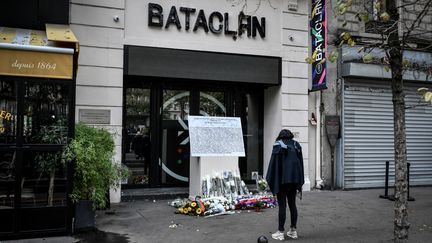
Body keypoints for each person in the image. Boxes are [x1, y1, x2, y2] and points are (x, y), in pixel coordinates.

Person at [266, 129, 304, 241]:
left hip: (282, 181)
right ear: (290, 136)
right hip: (294, 180)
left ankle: (280, 232)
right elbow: (300, 163)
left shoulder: (278, 145)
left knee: (282, 205)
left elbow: (273, 165)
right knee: (292, 205)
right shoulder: (296, 145)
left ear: (280, 136)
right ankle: (293, 231)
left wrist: (271, 179)